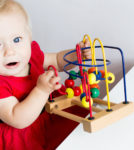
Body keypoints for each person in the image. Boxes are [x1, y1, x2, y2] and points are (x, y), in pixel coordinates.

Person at [0, 0, 91, 149]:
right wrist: (41, 91)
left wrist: (75, 56)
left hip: (49, 117)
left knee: (77, 132)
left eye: (16, 40)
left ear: (29, 38)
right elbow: (17, 118)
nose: (9, 51)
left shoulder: (32, 54)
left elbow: (56, 60)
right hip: (21, 137)